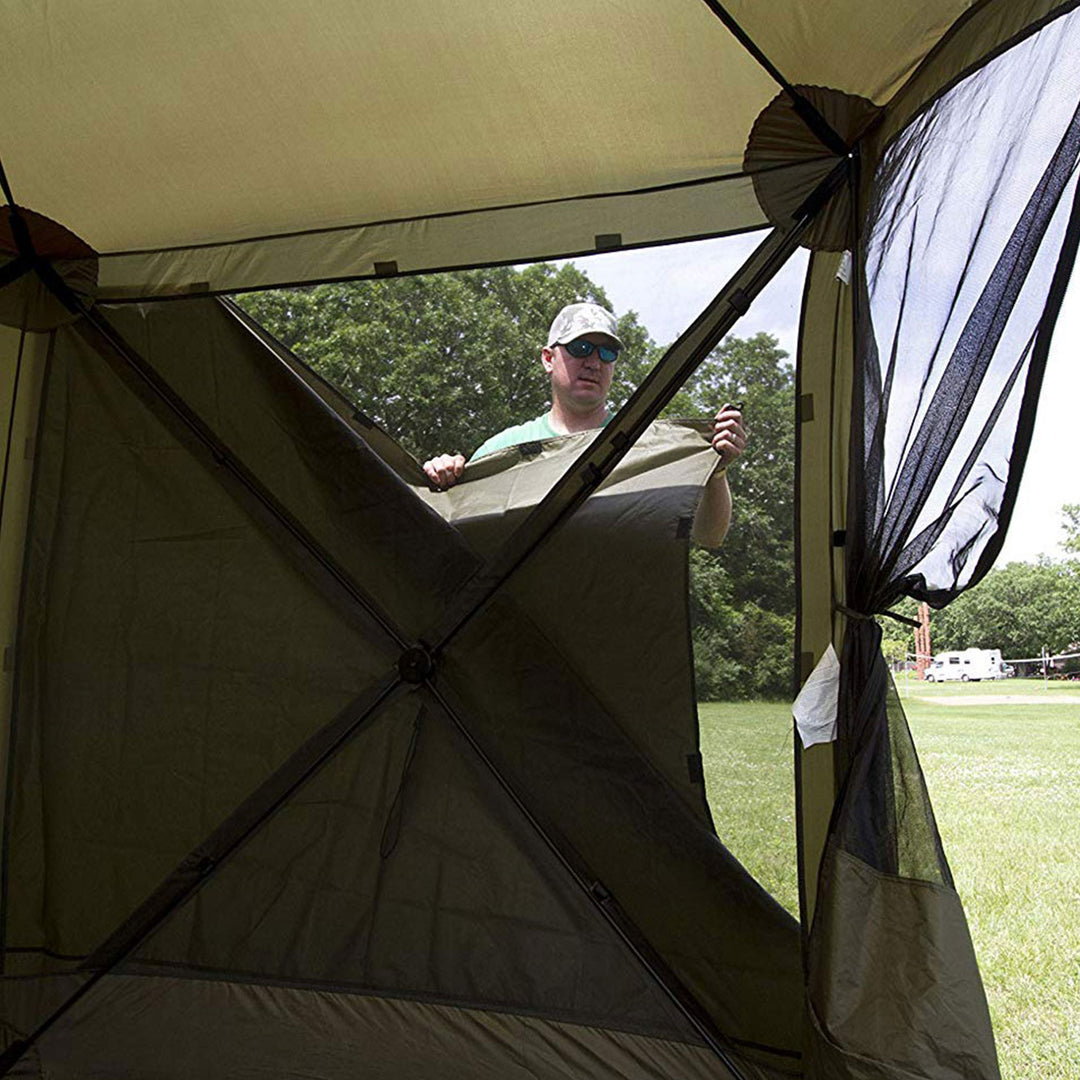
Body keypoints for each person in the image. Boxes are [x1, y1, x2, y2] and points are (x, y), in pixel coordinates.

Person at [422, 302, 746, 547]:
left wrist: (716, 471)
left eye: (607, 352)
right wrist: (443, 478)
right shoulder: (504, 449)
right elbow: (454, 535)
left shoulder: (644, 447)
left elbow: (708, 536)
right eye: (580, 348)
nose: (594, 362)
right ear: (548, 359)